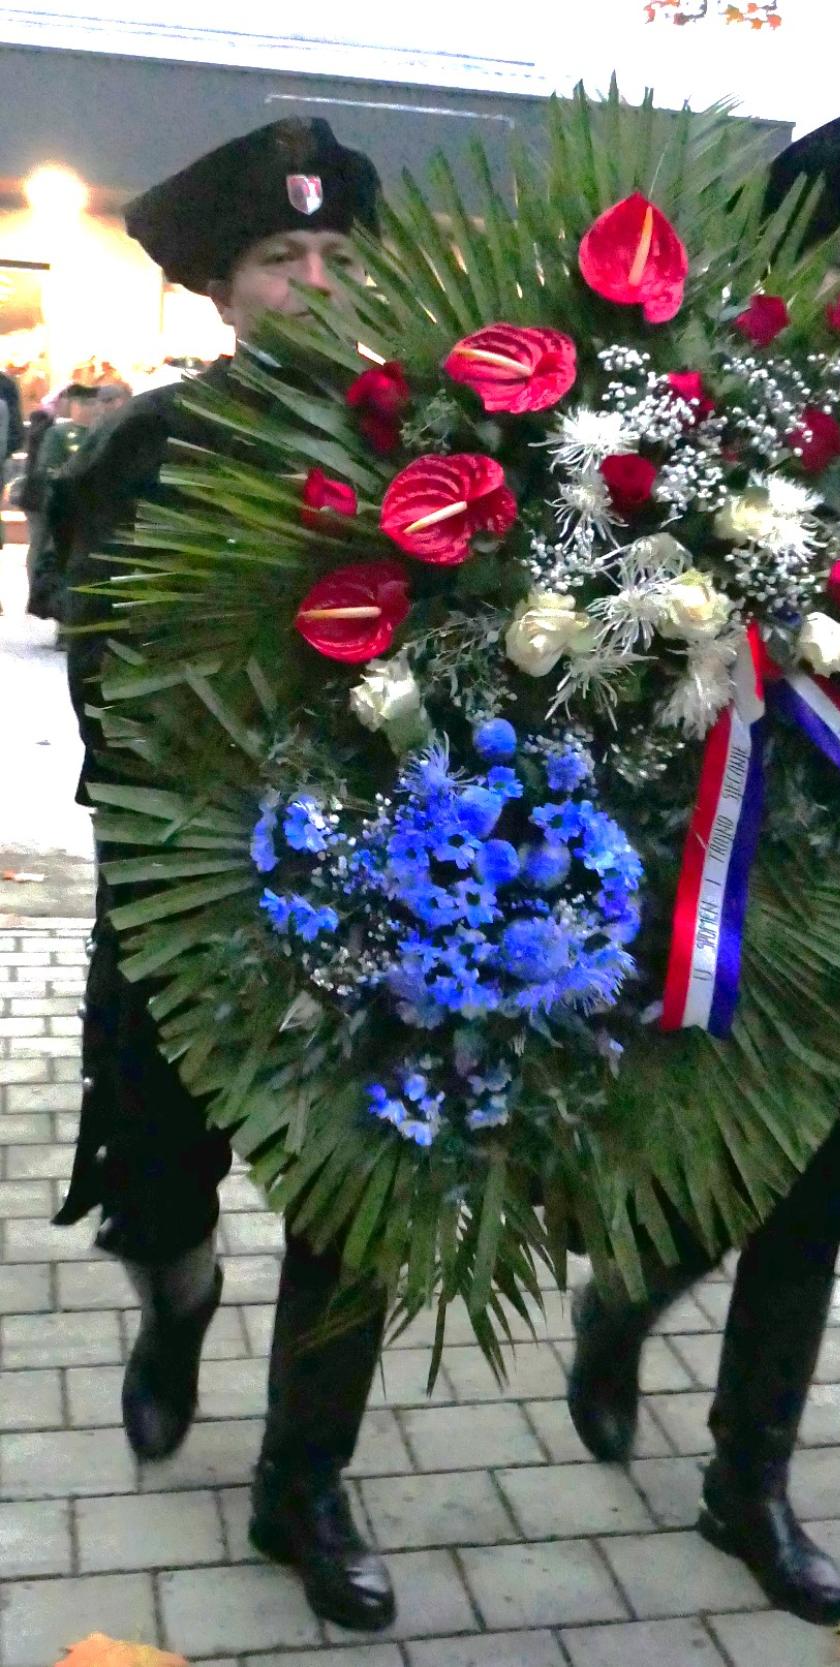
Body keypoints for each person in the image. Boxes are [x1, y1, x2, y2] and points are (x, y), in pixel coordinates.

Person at [567, 101, 840, 1629]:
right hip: (714, 863)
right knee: (718, 1142)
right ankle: (628, 1295)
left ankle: (749, 1479)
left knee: (815, 1185)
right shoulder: (699, 410)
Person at [52, 118, 397, 1633]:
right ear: (220, 288)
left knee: (361, 1199)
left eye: (334, 253)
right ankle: (175, 1305)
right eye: (278, 255)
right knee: (156, 1181)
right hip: (189, 885)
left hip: (392, 894)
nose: (312, 279)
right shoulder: (152, 445)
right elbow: (108, 678)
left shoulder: (432, 444)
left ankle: (303, 1482)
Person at [26, 384, 101, 622]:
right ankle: (47, 602)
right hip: (60, 504)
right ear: (74, 405)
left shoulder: (101, 432)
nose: (89, 409)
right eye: (84, 404)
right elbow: (47, 468)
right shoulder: (59, 434)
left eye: (93, 403)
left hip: (90, 505)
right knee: (49, 554)